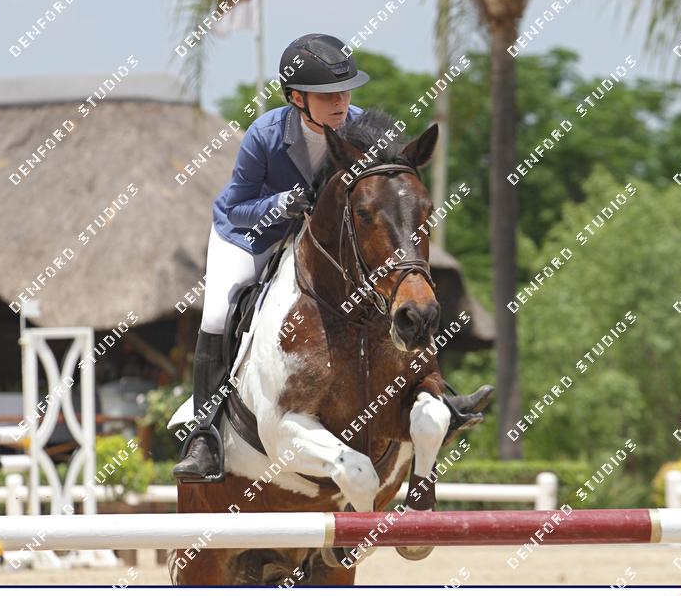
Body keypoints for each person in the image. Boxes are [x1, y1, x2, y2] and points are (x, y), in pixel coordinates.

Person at [173, 33, 492, 482]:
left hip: (328, 245)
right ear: (296, 98)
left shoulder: (365, 132)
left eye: (345, 91)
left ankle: (436, 396)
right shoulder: (265, 135)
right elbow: (234, 207)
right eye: (327, 95)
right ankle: (205, 435)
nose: (341, 102)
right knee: (218, 313)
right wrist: (280, 205)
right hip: (255, 235)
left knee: (398, 292)